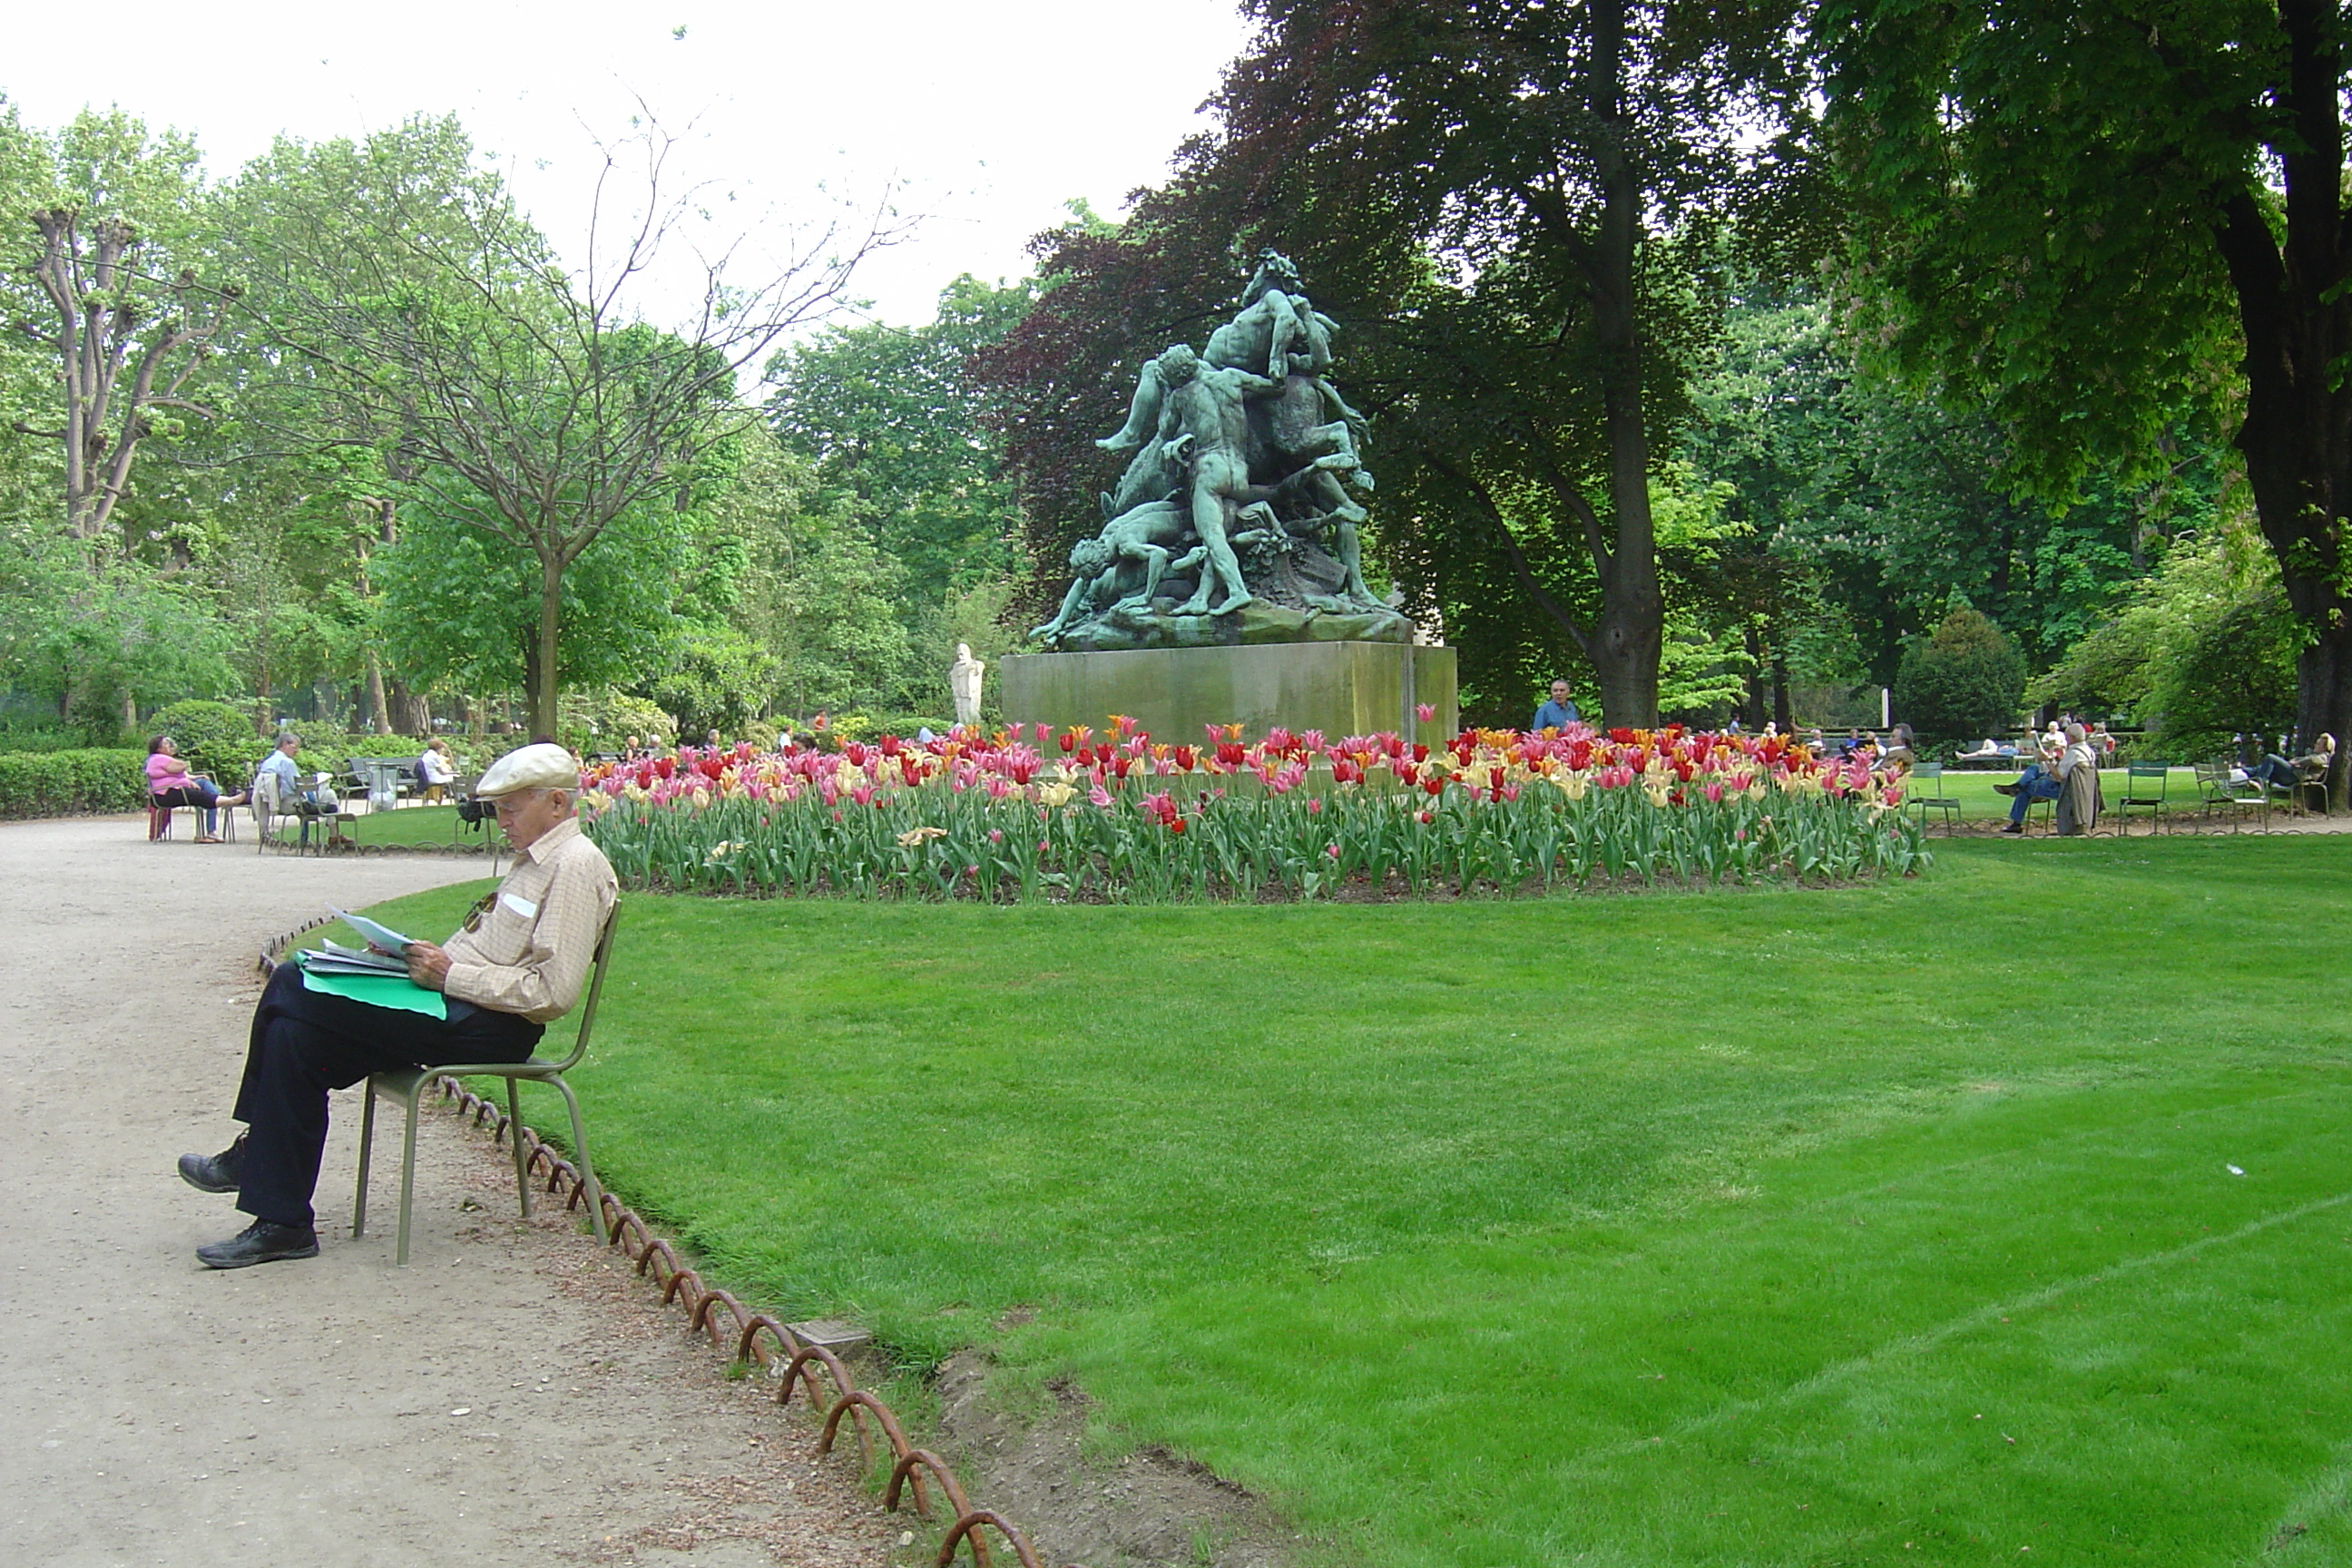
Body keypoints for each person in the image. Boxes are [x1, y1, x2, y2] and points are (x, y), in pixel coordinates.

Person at [176, 743, 615, 1269]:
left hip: (492, 1026)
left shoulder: (574, 867)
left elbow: (551, 994)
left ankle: (252, 1156)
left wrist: (450, 974)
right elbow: (482, 950)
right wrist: (406, 958)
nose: (501, 822)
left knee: (294, 978)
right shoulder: (533, 861)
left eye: (511, 809)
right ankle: (284, 1224)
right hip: (454, 1004)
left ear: (559, 804)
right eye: (498, 809)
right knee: (296, 1040)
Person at [145, 735, 245, 843]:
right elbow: (180, 767)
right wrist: (188, 781)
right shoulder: (159, 758)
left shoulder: (162, 759)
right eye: (166, 744)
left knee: (203, 783)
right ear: (158, 748)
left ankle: (220, 800)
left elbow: (182, 774)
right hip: (168, 792)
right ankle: (226, 802)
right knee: (202, 793)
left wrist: (195, 778)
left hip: (177, 788)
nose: (170, 745)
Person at [1994, 734, 2067, 832]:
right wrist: (2049, 761)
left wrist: (2046, 761)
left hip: (2056, 786)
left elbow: (2059, 778)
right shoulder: (2073, 753)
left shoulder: (2073, 755)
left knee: (2024, 790)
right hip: (2051, 779)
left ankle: (2016, 822)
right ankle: (2018, 786)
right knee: (2034, 767)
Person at [415, 738, 455, 804]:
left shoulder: (427, 754)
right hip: (434, 778)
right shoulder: (434, 756)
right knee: (457, 778)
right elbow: (442, 772)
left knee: (454, 777)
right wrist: (452, 773)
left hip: (427, 776)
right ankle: (458, 799)